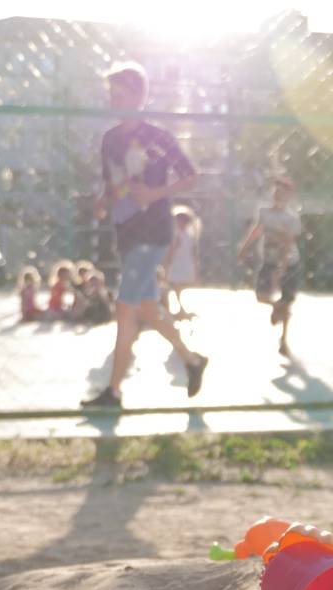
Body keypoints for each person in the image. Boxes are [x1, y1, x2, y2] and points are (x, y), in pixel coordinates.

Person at [81, 61, 207, 410]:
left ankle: (113, 392)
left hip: (153, 233)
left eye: (119, 94)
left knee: (125, 309)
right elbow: (112, 185)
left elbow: (190, 176)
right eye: (111, 94)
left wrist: (155, 193)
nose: (113, 100)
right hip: (126, 232)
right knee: (148, 309)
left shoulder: (158, 137)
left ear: (138, 96)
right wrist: (103, 202)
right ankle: (192, 361)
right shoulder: (110, 140)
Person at [237, 175, 302, 357]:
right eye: (276, 191)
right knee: (260, 295)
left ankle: (283, 340)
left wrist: (282, 268)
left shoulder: (291, 218)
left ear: (288, 196)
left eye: (282, 192)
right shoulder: (265, 212)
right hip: (269, 260)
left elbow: (288, 244)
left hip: (289, 262)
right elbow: (256, 230)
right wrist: (243, 248)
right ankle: (276, 306)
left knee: (287, 302)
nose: (278, 194)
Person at [162, 205, 200, 318]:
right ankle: (177, 309)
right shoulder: (175, 234)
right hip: (176, 263)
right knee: (176, 285)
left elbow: (193, 251)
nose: (182, 223)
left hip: (186, 262)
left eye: (184, 221)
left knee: (181, 286)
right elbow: (171, 250)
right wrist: (167, 263)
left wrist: (195, 265)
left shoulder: (190, 235)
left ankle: (179, 309)